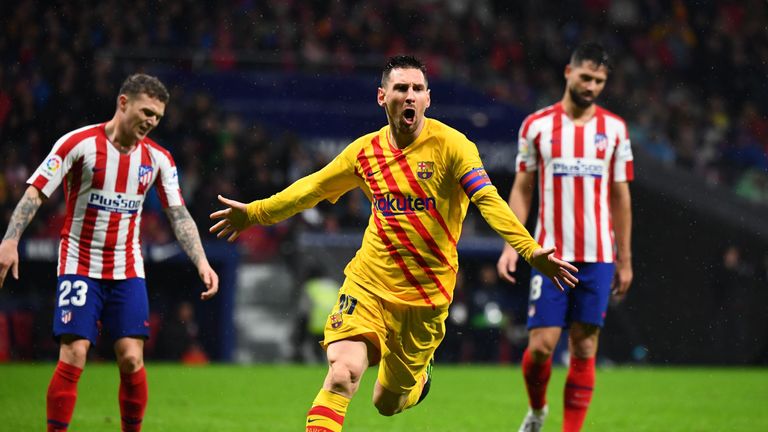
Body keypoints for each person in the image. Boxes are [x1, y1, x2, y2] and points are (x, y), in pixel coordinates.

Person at [210, 55, 578, 432]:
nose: (410, 96)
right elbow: (313, 187)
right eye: (401, 88)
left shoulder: (454, 147)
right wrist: (255, 213)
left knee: (387, 403)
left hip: (425, 298)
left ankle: (419, 379)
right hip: (368, 284)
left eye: (418, 89)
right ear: (382, 97)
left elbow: (488, 200)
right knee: (342, 374)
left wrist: (530, 250)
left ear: (428, 99)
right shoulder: (365, 152)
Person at [0, 74, 219, 432]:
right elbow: (35, 193)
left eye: (158, 117)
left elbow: (178, 214)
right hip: (79, 264)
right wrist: (10, 240)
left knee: (132, 359)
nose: (151, 121)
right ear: (123, 103)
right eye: (146, 111)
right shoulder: (78, 144)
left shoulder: (159, 159)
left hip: (127, 268)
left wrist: (201, 261)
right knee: (75, 353)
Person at [496, 42, 633, 432]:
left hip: (599, 254)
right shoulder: (536, 126)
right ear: (568, 73)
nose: (591, 86)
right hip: (549, 255)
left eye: (599, 81)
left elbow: (621, 197)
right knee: (540, 348)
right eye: (586, 77)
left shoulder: (615, 130)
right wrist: (512, 243)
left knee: (585, 347)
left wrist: (625, 259)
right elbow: (522, 189)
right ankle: (537, 412)